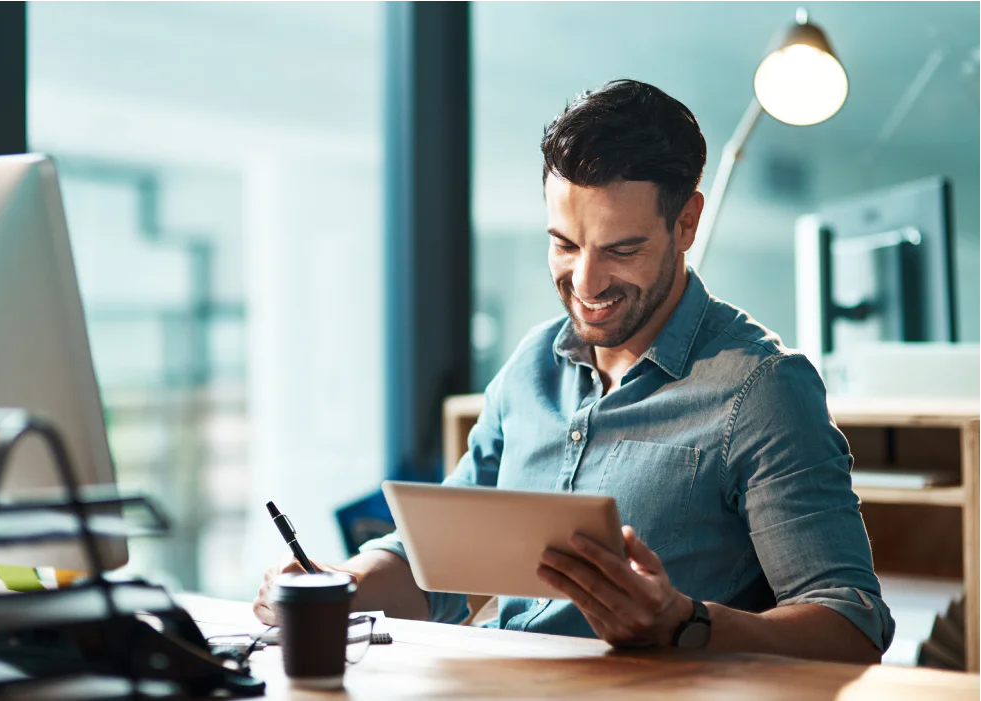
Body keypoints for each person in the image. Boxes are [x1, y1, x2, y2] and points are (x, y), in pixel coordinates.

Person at [253, 79, 893, 663]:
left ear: (687, 223)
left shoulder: (762, 389)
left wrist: (683, 623)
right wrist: (340, 586)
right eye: (564, 244)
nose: (585, 283)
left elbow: (852, 628)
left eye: (622, 249)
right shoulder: (531, 365)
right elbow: (434, 563)